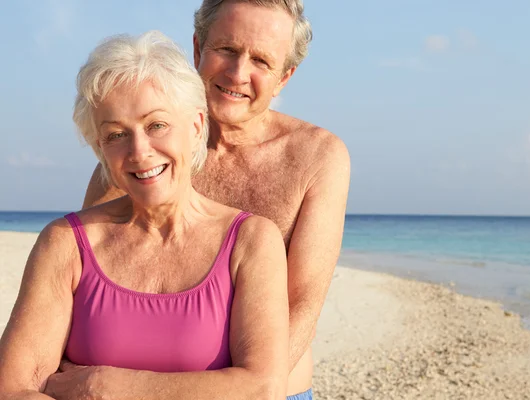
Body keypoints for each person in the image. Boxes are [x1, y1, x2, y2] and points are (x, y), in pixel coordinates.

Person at [81, 1, 350, 399]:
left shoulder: (316, 158)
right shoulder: (144, 155)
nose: (238, 73)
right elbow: (83, 281)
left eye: (261, 60)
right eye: (226, 49)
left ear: (284, 78)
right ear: (197, 49)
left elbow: (301, 309)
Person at [0, 31, 290, 400]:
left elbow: (263, 389)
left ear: (197, 126)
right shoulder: (64, 244)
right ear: (100, 149)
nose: (139, 151)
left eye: (157, 125)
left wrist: (109, 388)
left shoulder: (251, 241)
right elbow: (13, 389)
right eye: (117, 134)